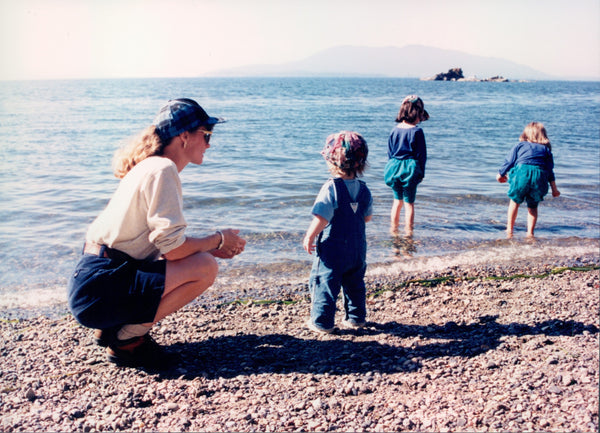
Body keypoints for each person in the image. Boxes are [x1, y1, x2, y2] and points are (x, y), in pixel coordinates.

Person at [67, 98, 246, 369]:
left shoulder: (150, 166)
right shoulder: (163, 169)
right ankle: (127, 339)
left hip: (95, 284)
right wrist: (218, 239)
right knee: (205, 268)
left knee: (200, 259)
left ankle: (115, 327)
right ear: (184, 136)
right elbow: (173, 250)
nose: (209, 143)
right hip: (101, 288)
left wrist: (208, 246)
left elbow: (161, 246)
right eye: (206, 134)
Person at [303, 131, 373, 334]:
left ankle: (322, 322)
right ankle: (356, 318)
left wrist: (310, 236)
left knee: (324, 281)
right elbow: (366, 217)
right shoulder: (364, 189)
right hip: (358, 248)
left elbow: (321, 218)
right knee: (355, 283)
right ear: (361, 163)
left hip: (333, 250)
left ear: (331, 162)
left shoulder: (331, 188)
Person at [496, 121, 560, 239]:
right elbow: (550, 171)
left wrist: (501, 174)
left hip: (522, 175)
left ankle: (510, 230)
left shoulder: (519, 146)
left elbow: (509, 161)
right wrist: (554, 189)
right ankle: (530, 233)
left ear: (525, 134)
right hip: (539, 177)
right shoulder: (546, 151)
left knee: (514, 202)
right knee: (533, 205)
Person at [383, 95, 429, 255]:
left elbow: (390, 152)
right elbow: (421, 155)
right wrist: (421, 172)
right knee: (409, 203)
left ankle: (393, 230)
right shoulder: (417, 132)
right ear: (416, 113)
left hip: (394, 166)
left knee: (397, 201)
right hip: (410, 168)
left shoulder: (394, 130)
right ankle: (408, 234)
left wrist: (392, 166)